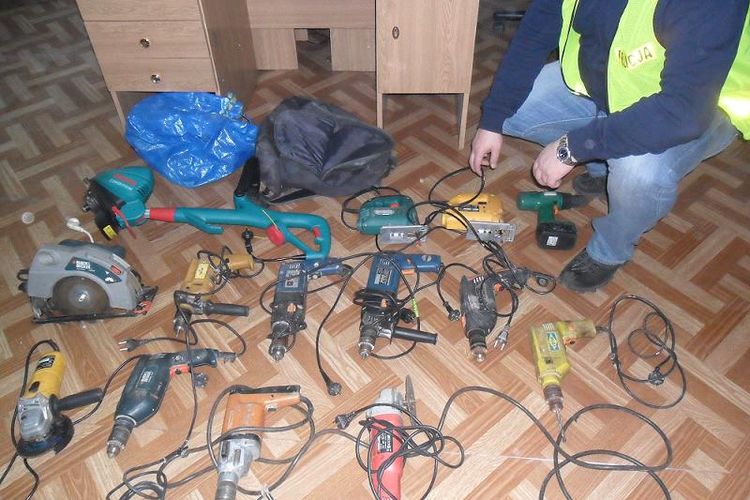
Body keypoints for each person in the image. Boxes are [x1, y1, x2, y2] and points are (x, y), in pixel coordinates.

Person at [470, 0, 749, 292]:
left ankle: (611, 249)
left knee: (637, 173)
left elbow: (682, 113)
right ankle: (602, 167)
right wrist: (493, 118)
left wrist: (572, 148)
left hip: (696, 108)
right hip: (611, 84)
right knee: (513, 110)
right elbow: (535, 34)